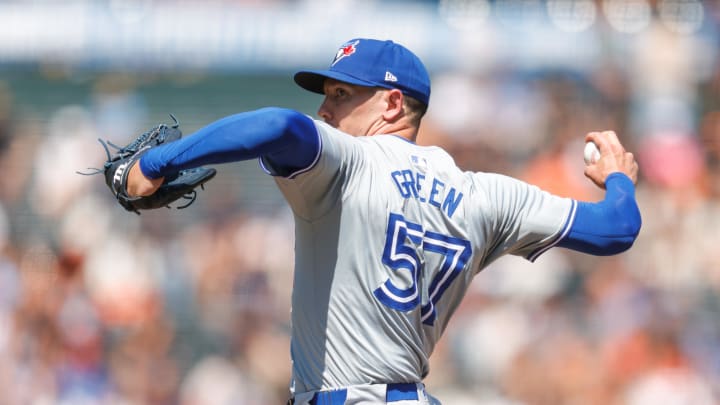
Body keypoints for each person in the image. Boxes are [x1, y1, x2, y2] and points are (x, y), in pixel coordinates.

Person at [125, 38, 641, 404]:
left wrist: (155, 163)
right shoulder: (486, 194)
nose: (325, 110)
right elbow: (616, 228)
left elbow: (276, 125)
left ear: (393, 103)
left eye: (342, 95)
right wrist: (617, 178)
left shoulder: (350, 161)